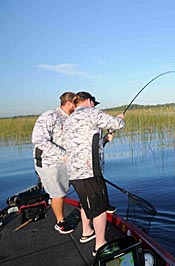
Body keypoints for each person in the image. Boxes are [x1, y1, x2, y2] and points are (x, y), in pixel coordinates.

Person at [63, 91, 125, 256]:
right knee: (100, 208)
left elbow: (84, 145)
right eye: (93, 103)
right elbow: (117, 123)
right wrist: (120, 118)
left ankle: (86, 231)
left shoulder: (69, 120)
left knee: (86, 202)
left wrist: (104, 139)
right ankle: (100, 245)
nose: (95, 106)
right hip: (90, 173)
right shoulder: (91, 112)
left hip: (74, 173)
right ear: (89, 101)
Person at [32, 92, 76, 234]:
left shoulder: (72, 118)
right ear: (69, 103)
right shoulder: (50, 116)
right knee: (57, 193)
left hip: (65, 162)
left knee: (62, 190)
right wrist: (63, 154)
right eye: (76, 103)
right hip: (49, 163)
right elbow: (38, 140)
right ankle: (60, 222)